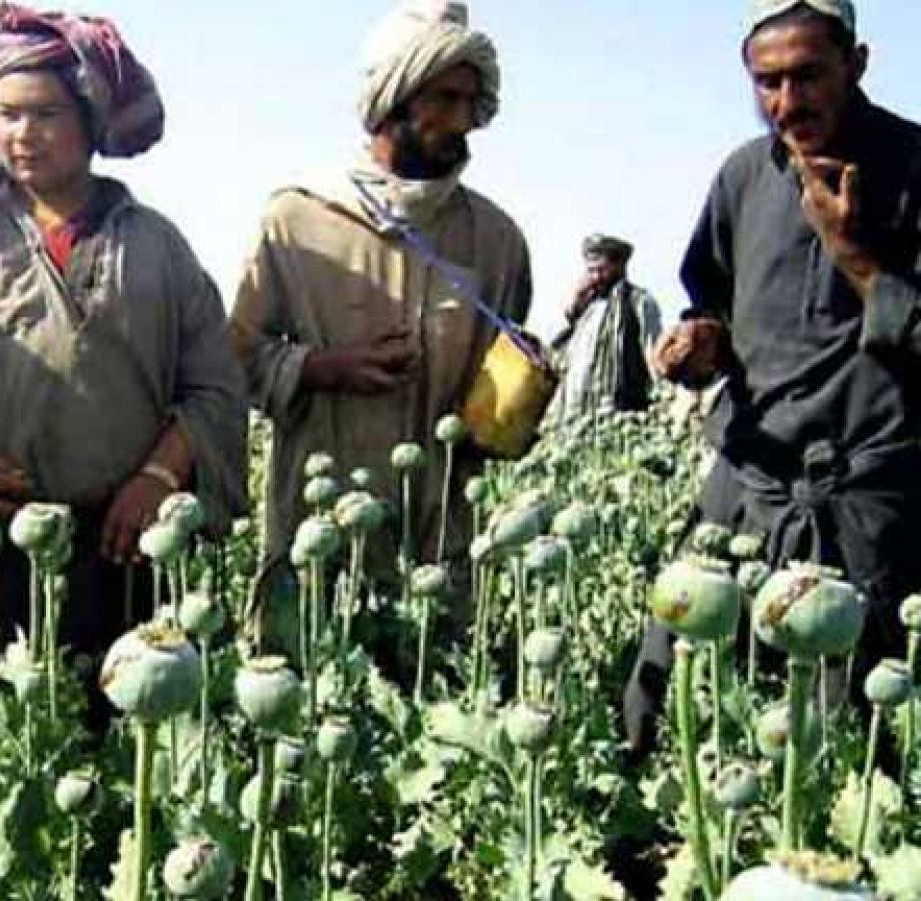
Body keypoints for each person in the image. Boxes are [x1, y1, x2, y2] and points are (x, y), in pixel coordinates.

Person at [0, 4, 248, 682]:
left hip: (124, 547)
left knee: (125, 731)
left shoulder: (157, 247)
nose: (24, 134)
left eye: (45, 114)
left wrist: (158, 477)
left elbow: (214, 388)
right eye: (7, 114)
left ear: (91, 119)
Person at [625, 0, 921, 753]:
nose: (787, 103)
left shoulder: (914, 165)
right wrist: (701, 344)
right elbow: (716, 305)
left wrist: (856, 257)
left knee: (853, 747)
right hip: (748, 491)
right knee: (666, 711)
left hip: (870, 512)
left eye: (808, 76)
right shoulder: (743, 176)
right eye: (767, 82)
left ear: (857, 63)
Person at [230, 0, 531, 607]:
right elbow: (231, 361)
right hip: (317, 546)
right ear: (392, 99)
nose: (462, 120)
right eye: (443, 98)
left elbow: (496, 417)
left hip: (438, 550)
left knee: (432, 662)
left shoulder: (497, 242)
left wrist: (516, 400)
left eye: (470, 102)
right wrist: (320, 368)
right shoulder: (297, 219)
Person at [550, 234, 662, 420]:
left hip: (620, 417)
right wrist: (573, 307)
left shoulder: (639, 303)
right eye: (591, 271)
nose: (596, 277)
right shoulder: (586, 309)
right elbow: (556, 353)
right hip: (578, 417)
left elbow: (654, 357)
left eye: (601, 270)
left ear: (619, 266)